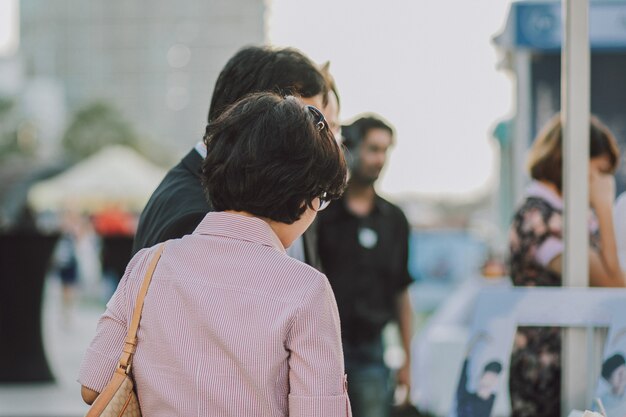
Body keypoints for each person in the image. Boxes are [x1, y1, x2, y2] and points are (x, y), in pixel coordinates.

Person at [79, 93, 351, 416]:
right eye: (321, 197)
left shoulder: (149, 264)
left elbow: (93, 386)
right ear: (301, 197)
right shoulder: (307, 291)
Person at [132, 46, 329, 269]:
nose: (316, 139)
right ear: (255, 113)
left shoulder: (293, 198)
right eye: (305, 120)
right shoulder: (197, 216)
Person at [508, 114, 626, 417]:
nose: (603, 182)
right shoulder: (539, 215)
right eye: (599, 171)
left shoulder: (567, 214)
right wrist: (603, 206)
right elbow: (612, 281)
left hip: (579, 362)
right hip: (545, 369)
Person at [317, 115, 413, 417]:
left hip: (372, 349)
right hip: (323, 346)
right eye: (373, 149)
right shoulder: (320, 215)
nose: (379, 159)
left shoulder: (394, 220)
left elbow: (401, 292)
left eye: (385, 151)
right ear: (350, 148)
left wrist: (409, 360)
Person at [456, 333, 502, 417]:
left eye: (493, 377)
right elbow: (465, 358)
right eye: (487, 377)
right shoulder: (465, 397)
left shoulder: (494, 402)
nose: (490, 380)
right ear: (480, 377)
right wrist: (479, 337)